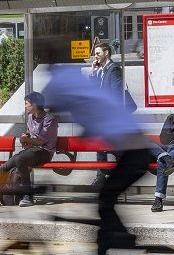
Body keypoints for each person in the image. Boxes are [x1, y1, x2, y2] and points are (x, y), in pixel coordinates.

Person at [40, 65, 153, 255]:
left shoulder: (61, 80)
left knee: (105, 199)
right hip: (135, 151)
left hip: (134, 153)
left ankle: (123, 239)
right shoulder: (81, 84)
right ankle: (112, 239)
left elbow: (49, 101)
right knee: (104, 203)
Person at [89, 42, 125, 186]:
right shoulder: (102, 70)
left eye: (98, 53)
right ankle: (101, 176)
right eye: (95, 53)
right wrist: (93, 72)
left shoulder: (114, 69)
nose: (95, 56)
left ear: (106, 53)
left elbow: (116, 95)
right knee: (100, 146)